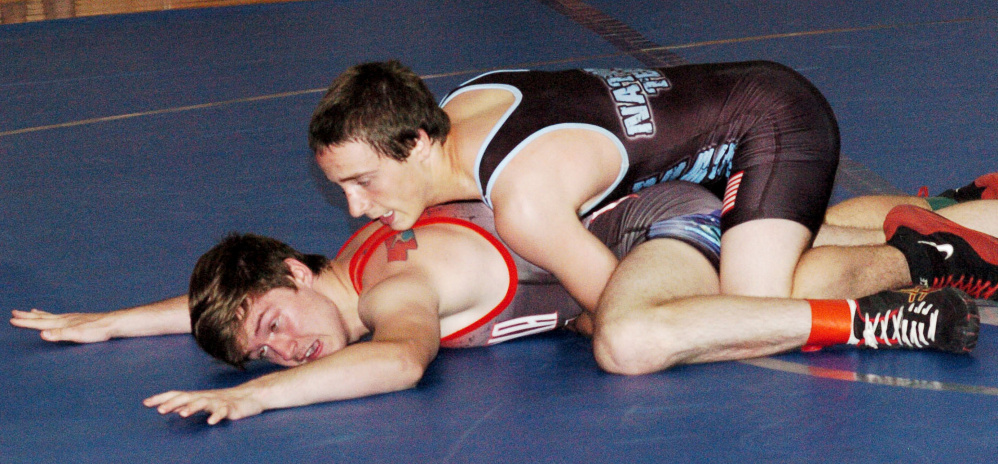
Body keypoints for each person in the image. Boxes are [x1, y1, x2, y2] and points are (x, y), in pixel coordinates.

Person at [10, 181, 986, 424]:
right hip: (636, 217)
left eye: (274, 325)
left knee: (773, 289)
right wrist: (111, 320)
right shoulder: (342, 265)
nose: (286, 350)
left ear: (298, 271)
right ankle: (958, 205)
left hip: (646, 232)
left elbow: (397, 359)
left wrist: (249, 398)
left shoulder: (395, 287)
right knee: (807, 234)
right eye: (263, 356)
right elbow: (240, 309)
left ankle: (922, 256)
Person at [307, 60, 997, 374]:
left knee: (750, 299)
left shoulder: (522, 200)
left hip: (770, 127)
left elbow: (622, 304)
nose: (357, 207)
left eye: (364, 182)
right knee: (766, 231)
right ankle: (963, 206)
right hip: (741, 111)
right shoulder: (463, 104)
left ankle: (940, 254)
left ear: (418, 142)